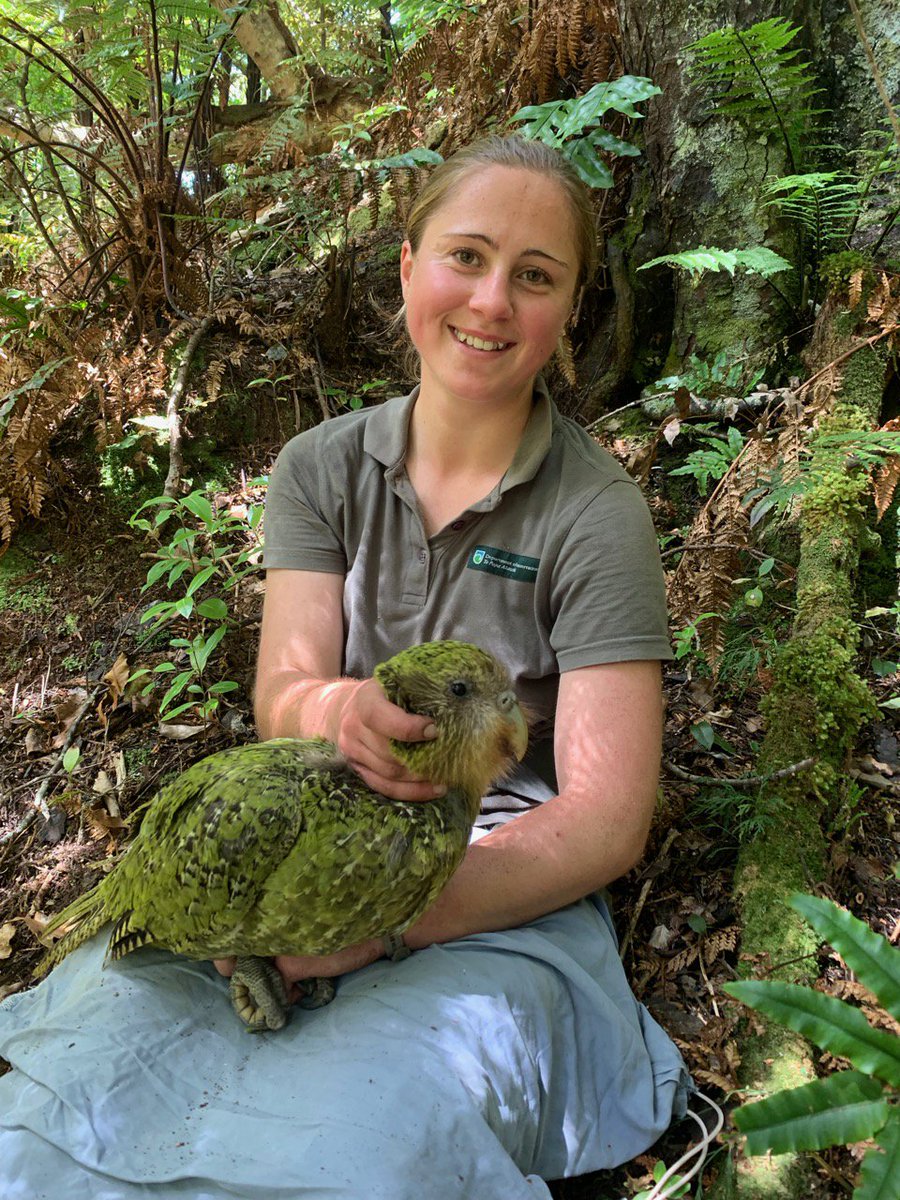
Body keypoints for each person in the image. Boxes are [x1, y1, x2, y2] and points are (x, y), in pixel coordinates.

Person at [0, 135, 690, 1200]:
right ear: (408, 268)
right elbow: (287, 693)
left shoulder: (595, 516)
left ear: (567, 315)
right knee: (91, 1074)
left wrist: (387, 922)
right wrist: (341, 717)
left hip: (502, 877)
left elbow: (604, 819)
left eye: (536, 276)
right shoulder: (319, 468)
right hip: (306, 845)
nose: (493, 300)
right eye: (466, 256)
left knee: (376, 1131)